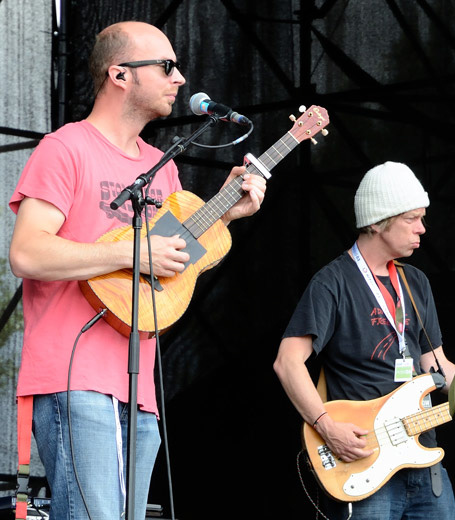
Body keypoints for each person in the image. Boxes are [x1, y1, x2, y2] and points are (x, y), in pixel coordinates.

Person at [8, 21, 266, 520]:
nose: (181, 78)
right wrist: (131, 253)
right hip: (73, 377)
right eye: (167, 66)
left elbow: (171, 264)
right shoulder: (65, 148)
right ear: (119, 74)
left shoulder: (161, 167)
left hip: (140, 387)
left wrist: (226, 212)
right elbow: (27, 254)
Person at [273, 161, 455, 519]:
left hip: (423, 457)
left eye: (422, 218)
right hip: (363, 462)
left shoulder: (416, 282)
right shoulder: (332, 283)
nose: (422, 228)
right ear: (376, 222)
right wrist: (326, 426)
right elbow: (287, 361)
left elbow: (436, 363)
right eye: (411, 219)